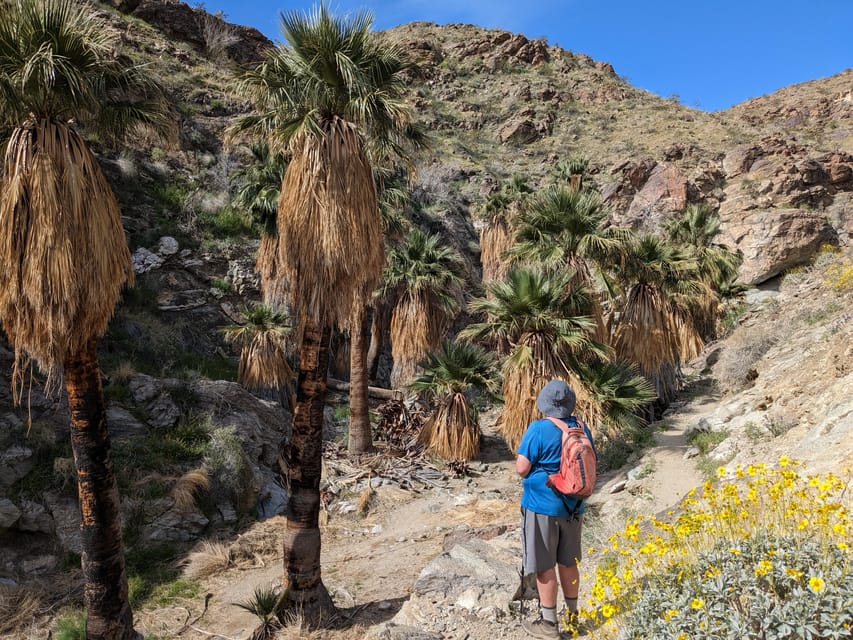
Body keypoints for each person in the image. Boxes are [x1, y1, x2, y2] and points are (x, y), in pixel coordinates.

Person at [516, 379, 595, 638]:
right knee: (569, 563)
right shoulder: (582, 428)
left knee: (545, 565)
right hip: (574, 508)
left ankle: (549, 624)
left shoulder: (538, 428)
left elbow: (522, 469)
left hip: (541, 508)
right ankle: (573, 618)